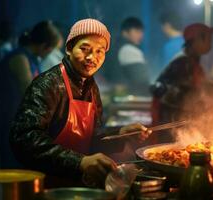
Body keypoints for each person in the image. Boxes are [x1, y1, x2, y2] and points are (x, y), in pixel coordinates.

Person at [10, 19, 151, 188]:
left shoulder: (91, 87)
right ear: (69, 48)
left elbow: (91, 138)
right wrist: (80, 162)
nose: (92, 57)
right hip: (43, 185)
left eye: (100, 51)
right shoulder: (48, 84)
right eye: (84, 49)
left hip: (75, 184)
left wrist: (120, 134)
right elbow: (24, 139)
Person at [0, 20, 61, 168]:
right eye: (50, 50)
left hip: (19, 118)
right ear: (44, 46)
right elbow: (30, 91)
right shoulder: (20, 58)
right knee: (13, 166)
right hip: (8, 119)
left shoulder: (32, 58)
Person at [151, 23, 213, 127]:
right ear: (197, 40)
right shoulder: (182, 63)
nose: (211, 42)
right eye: (208, 39)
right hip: (170, 122)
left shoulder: (193, 62)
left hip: (178, 119)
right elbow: (170, 95)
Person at [116, 17, 150, 95]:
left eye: (141, 32)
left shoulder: (118, 47)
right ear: (125, 33)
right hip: (134, 98)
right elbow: (141, 82)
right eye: (137, 31)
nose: (141, 35)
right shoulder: (128, 50)